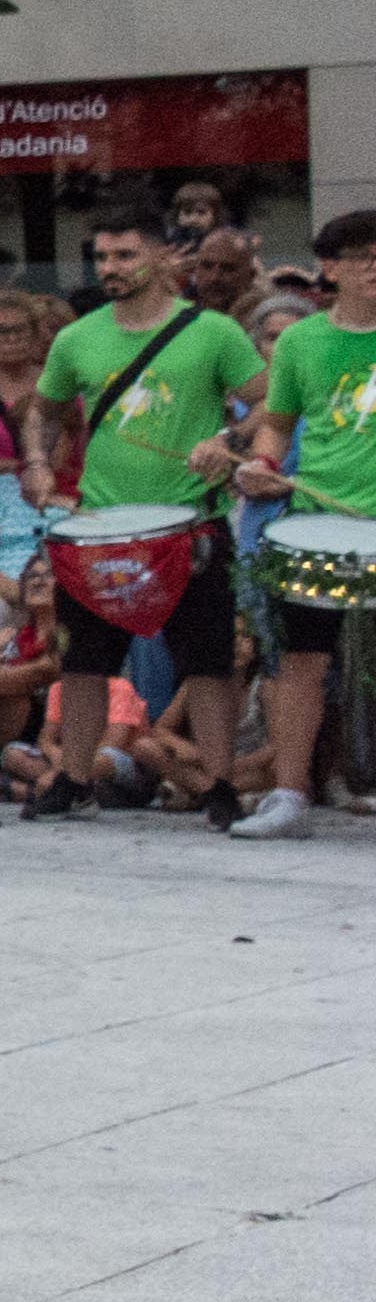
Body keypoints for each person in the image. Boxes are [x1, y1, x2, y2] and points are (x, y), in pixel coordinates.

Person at [33, 207, 261, 820]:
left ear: (163, 258)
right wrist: (35, 463)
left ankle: (220, 786)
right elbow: (45, 410)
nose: (110, 268)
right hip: (102, 526)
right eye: (102, 257)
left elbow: (270, 406)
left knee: (208, 665)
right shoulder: (76, 337)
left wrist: (231, 442)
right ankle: (74, 780)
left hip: (191, 523)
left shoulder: (214, 332)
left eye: (125, 255)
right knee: (83, 661)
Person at [225, 208, 376, 834]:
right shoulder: (302, 343)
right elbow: (279, 426)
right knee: (301, 660)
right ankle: (289, 795)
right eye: (363, 257)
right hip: (317, 519)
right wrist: (260, 465)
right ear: (331, 269)